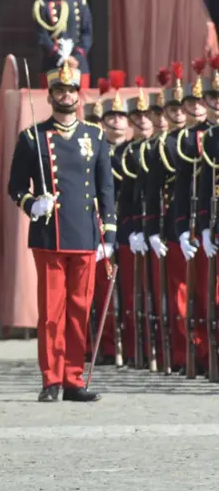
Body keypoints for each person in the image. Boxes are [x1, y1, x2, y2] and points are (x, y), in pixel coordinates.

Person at [7, 51, 115, 402]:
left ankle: (73, 378)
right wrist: (32, 203)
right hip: (49, 234)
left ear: (78, 96)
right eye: (60, 91)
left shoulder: (94, 136)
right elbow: (14, 187)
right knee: (52, 312)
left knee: (80, 310)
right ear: (50, 95)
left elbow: (105, 189)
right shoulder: (32, 138)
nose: (66, 96)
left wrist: (109, 235)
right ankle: (51, 379)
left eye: (71, 91)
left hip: (84, 233)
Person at [169, 58, 217, 373]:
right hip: (211, 225)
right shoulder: (198, 141)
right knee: (205, 297)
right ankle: (205, 355)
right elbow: (191, 186)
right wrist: (197, 227)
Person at [145, 65, 189, 371]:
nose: (174, 114)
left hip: (201, 222)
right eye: (170, 109)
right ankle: (182, 354)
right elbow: (150, 191)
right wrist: (149, 229)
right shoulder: (162, 146)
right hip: (174, 223)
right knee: (178, 296)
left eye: (179, 107)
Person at [90, 76, 130, 365]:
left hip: (130, 228)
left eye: (121, 117)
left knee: (130, 292)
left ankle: (126, 346)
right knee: (99, 292)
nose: (116, 122)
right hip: (99, 228)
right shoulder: (94, 151)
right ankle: (101, 347)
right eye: (111, 117)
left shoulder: (137, 151)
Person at [119, 80, 157, 368]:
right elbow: (129, 195)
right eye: (139, 116)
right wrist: (133, 228)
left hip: (160, 226)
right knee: (133, 295)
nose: (144, 121)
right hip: (134, 228)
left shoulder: (162, 147)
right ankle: (134, 349)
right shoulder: (128, 152)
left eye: (148, 115)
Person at [32, 0, 92, 84]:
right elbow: (42, 36)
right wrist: (61, 57)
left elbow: (87, 33)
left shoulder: (80, 3)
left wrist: (76, 57)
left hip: (77, 65)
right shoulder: (43, 5)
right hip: (53, 65)